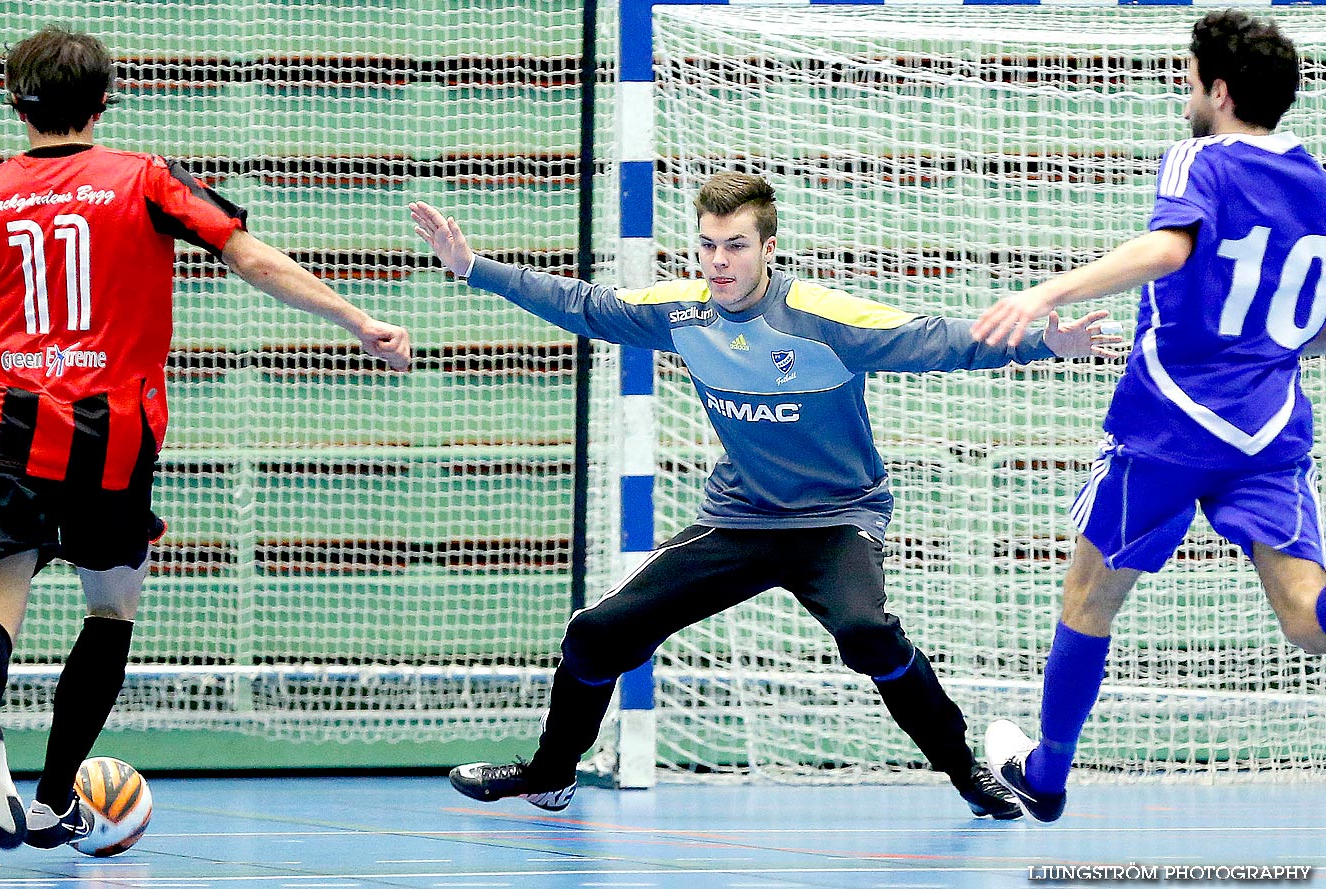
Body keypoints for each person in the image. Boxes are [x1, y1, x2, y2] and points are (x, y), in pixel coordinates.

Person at [409, 173, 1117, 819]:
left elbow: (933, 340)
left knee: (868, 634)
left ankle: (966, 771)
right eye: (709, 246)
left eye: (736, 246)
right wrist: (474, 269)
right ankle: (551, 772)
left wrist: (1039, 344)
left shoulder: (818, 317)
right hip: (741, 517)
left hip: (837, 519)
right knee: (595, 632)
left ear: (767, 248)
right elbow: (585, 304)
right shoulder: (684, 313)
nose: (719, 261)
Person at [0, 25, 411, 850]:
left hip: (8, 433)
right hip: (115, 437)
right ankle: (56, 795)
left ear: (13, 104)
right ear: (104, 102)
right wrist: (355, 317)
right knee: (111, 608)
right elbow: (248, 257)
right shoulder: (143, 178)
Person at [972, 10, 1326, 823]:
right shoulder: (1317, 182)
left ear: (1221, 91)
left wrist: (1044, 290)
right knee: (1308, 616)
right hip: (1268, 427)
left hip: (1169, 421)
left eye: (1191, 76)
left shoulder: (1200, 157)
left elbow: (1170, 249)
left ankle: (1049, 772)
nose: (1184, 88)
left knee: (1089, 596)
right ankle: (1045, 768)